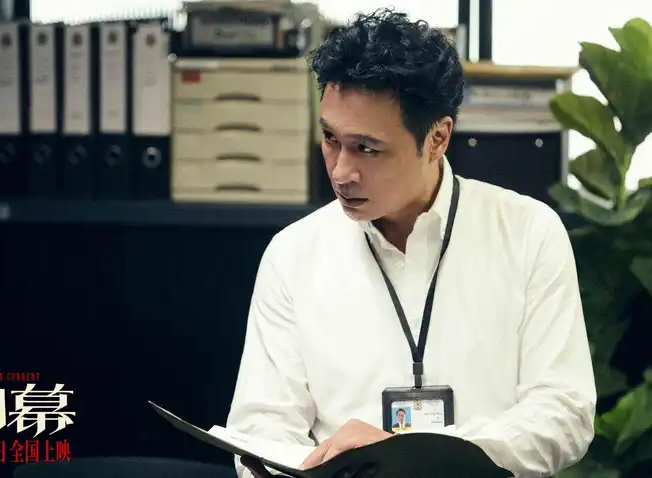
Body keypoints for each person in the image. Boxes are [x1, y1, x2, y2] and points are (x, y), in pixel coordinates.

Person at [225, 8, 596, 478]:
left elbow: (563, 414)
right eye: (330, 139)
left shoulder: (528, 233)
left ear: (438, 138)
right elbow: (261, 429)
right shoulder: (293, 254)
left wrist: (420, 455)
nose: (341, 171)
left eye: (367, 148)